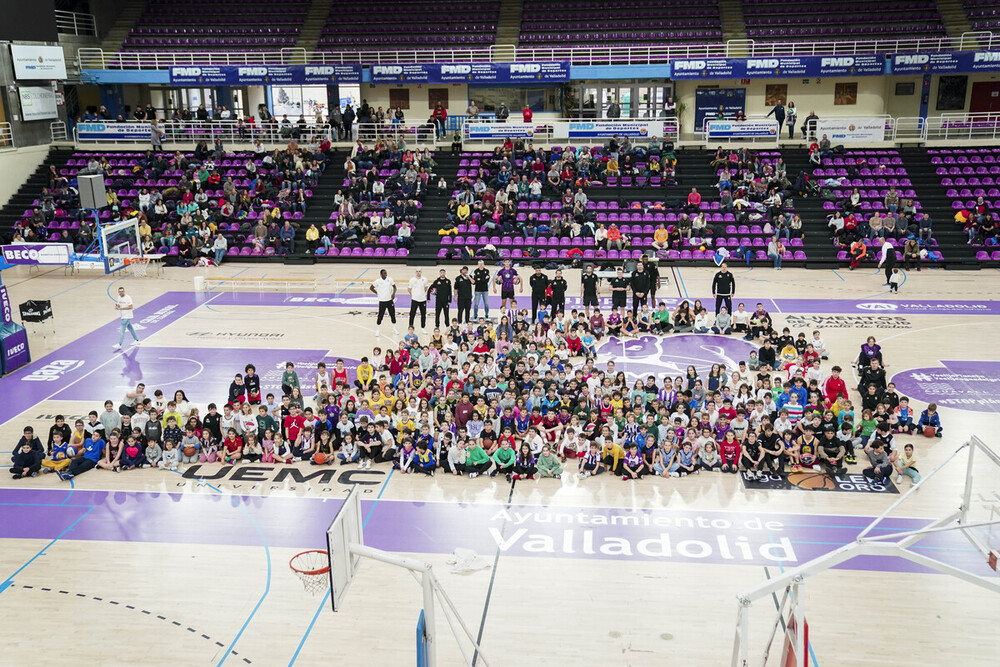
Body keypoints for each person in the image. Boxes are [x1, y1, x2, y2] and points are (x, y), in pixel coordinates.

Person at [370, 269, 399, 337]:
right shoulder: (378, 281)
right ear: (381, 274)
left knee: (392, 315)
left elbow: (394, 287)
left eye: (386, 273)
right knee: (380, 316)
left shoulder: (390, 279)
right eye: (384, 273)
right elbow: (371, 288)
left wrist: (393, 293)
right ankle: (378, 330)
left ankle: (394, 329)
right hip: (382, 301)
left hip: (389, 300)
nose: (385, 274)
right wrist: (377, 293)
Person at [113, 286, 140, 350]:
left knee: (122, 330)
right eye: (120, 291)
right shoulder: (119, 297)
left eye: (122, 291)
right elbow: (119, 304)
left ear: (124, 291)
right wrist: (117, 307)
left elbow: (131, 307)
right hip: (123, 316)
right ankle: (137, 340)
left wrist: (121, 308)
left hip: (127, 316)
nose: (121, 292)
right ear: (118, 292)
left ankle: (119, 344)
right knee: (131, 328)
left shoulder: (128, 298)